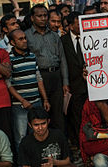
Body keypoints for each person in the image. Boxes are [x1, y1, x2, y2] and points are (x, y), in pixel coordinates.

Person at [25, 4, 69, 132]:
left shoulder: (54, 35)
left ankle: (61, 144)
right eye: (39, 16)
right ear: (32, 18)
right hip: (38, 78)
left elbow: (63, 60)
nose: (43, 18)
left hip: (56, 76)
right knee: (41, 114)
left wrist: (65, 81)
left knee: (58, 114)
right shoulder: (27, 36)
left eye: (45, 16)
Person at [7, 29, 51, 152]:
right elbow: (9, 84)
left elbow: (38, 78)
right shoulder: (9, 59)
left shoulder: (32, 56)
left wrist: (45, 99)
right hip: (19, 106)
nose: (25, 41)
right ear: (12, 42)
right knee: (20, 138)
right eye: (20, 39)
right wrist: (22, 100)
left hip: (36, 103)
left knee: (38, 136)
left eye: (25, 38)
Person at [61, 11, 88, 149]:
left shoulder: (90, 36)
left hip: (91, 84)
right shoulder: (63, 41)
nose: (82, 26)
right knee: (76, 117)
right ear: (70, 26)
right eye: (78, 24)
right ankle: (78, 145)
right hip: (73, 85)